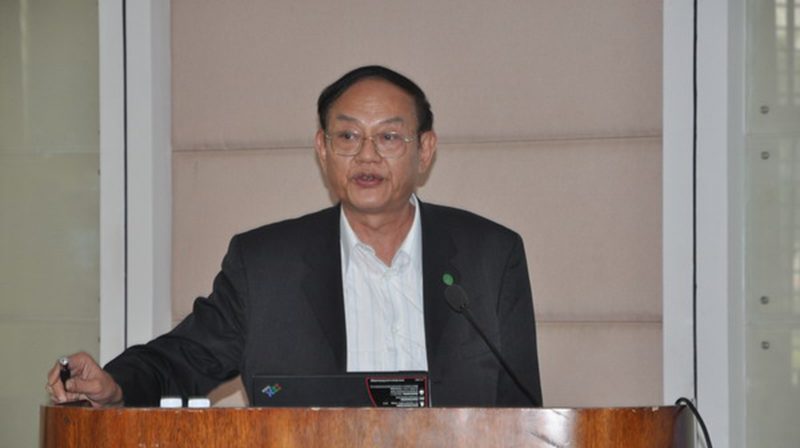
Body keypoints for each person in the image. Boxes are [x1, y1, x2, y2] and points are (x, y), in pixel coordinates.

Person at [46, 65, 542, 407]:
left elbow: (522, 411)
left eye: (389, 137)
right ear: (322, 149)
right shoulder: (265, 264)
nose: (366, 155)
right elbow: (184, 359)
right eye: (347, 136)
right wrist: (116, 384)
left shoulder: (489, 256)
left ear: (425, 150)